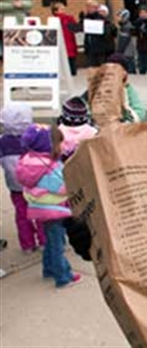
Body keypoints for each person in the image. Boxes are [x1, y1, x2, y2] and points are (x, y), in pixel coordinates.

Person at [15, 124, 81, 288]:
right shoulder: (51, 166)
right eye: (59, 143)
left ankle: (49, 269)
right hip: (55, 209)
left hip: (38, 207)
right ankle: (63, 276)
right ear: (49, 145)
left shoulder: (27, 161)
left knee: (50, 241)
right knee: (58, 244)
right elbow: (62, 188)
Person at [0, 103, 46, 253]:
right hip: (35, 183)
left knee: (22, 214)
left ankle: (27, 244)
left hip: (15, 186)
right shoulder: (34, 136)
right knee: (40, 212)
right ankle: (43, 240)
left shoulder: (2, 142)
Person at [51, 2, 78, 76]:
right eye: (61, 9)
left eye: (63, 9)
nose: (63, 11)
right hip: (67, 40)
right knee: (70, 57)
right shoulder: (68, 18)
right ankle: (72, 71)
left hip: (68, 40)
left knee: (67, 56)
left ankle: (68, 71)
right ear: (56, 11)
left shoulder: (54, 19)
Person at [115, 9, 137, 74]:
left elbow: (124, 41)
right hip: (125, 52)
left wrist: (119, 51)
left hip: (127, 52)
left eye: (119, 17)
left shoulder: (127, 27)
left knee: (129, 70)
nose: (117, 19)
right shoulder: (122, 26)